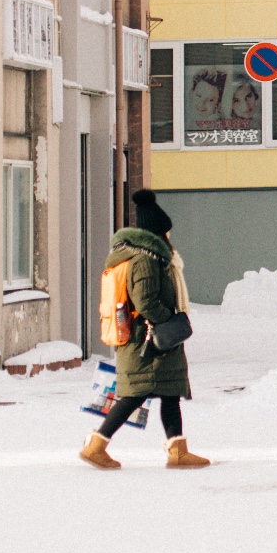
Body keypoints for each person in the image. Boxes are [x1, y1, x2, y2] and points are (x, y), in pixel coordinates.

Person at [79, 189, 209, 470]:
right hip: (146, 341)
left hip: (149, 340)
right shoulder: (145, 261)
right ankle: (96, 446)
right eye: (166, 233)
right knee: (134, 395)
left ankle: (178, 451)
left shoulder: (143, 257)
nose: (170, 238)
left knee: (169, 392)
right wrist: (170, 320)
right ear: (157, 234)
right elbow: (146, 301)